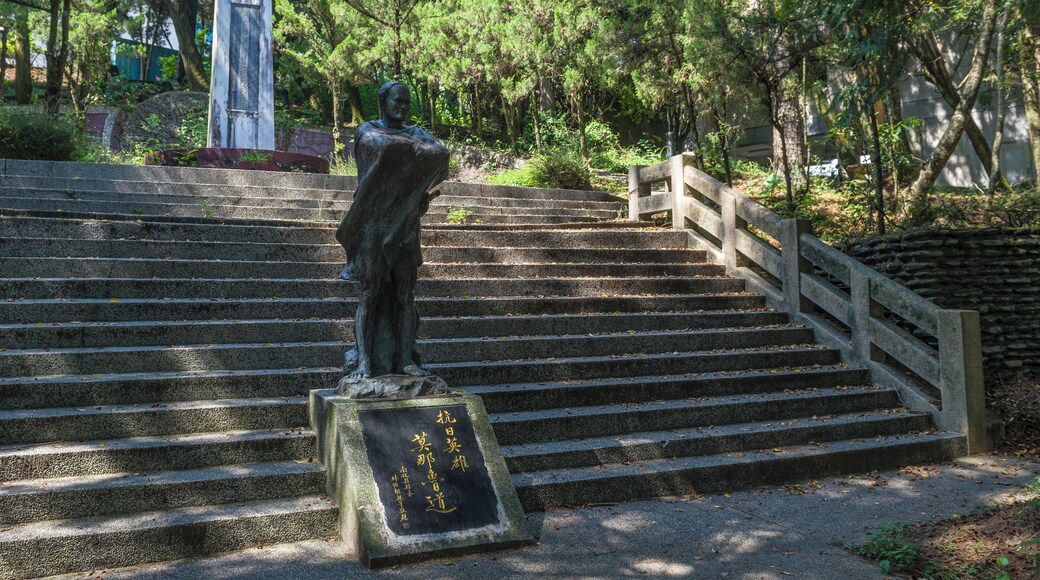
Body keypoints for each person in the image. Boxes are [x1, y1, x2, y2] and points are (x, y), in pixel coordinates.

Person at [336, 81, 450, 379]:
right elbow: (380, 147)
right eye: (397, 101)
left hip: (406, 223)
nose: (402, 106)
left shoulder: (416, 133)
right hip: (373, 225)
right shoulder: (366, 130)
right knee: (369, 292)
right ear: (383, 102)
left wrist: (409, 151)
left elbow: (440, 154)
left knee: (405, 294)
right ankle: (363, 361)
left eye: (407, 102)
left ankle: (405, 359)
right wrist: (413, 152)